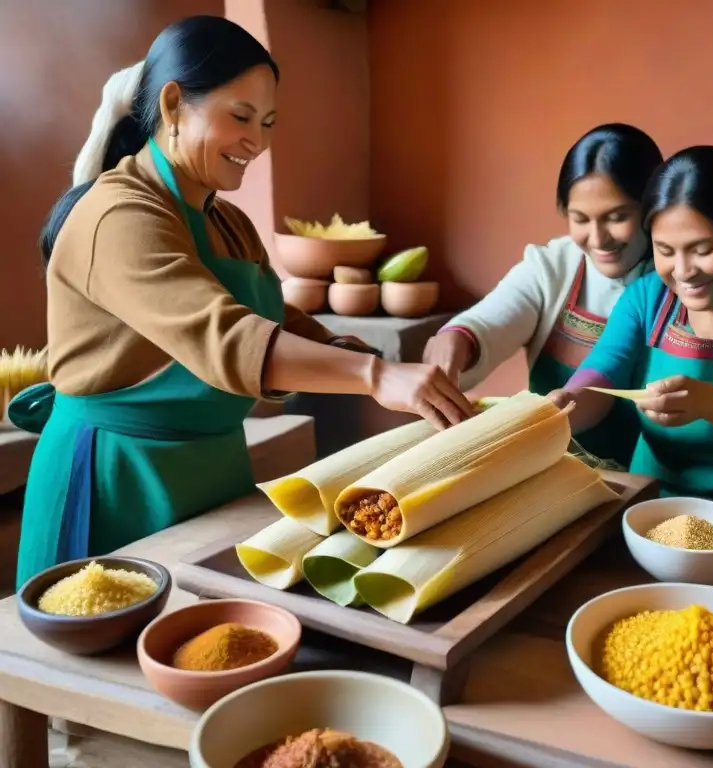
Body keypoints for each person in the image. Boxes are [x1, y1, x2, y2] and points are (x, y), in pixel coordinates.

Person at [10, 16, 473, 589]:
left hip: (211, 467)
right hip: (117, 477)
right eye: (241, 117)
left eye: (269, 122)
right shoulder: (118, 215)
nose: (258, 141)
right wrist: (376, 375)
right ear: (174, 105)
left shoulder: (227, 222)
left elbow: (277, 319)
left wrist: (373, 365)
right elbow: (226, 338)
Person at [551, 146, 713, 499]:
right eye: (664, 251)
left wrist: (703, 400)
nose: (682, 271)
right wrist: (561, 405)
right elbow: (602, 373)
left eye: (702, 250)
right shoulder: (646, 298)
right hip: (646, 504)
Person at [421, 124, 664, 467]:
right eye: (580, 218)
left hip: (650, 487)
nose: (598, 238)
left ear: (652, 208)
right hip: (548, 469)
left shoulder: (681, 280)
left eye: (617, 217)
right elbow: (491, 320)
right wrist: (458, 340)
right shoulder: (552, 266)